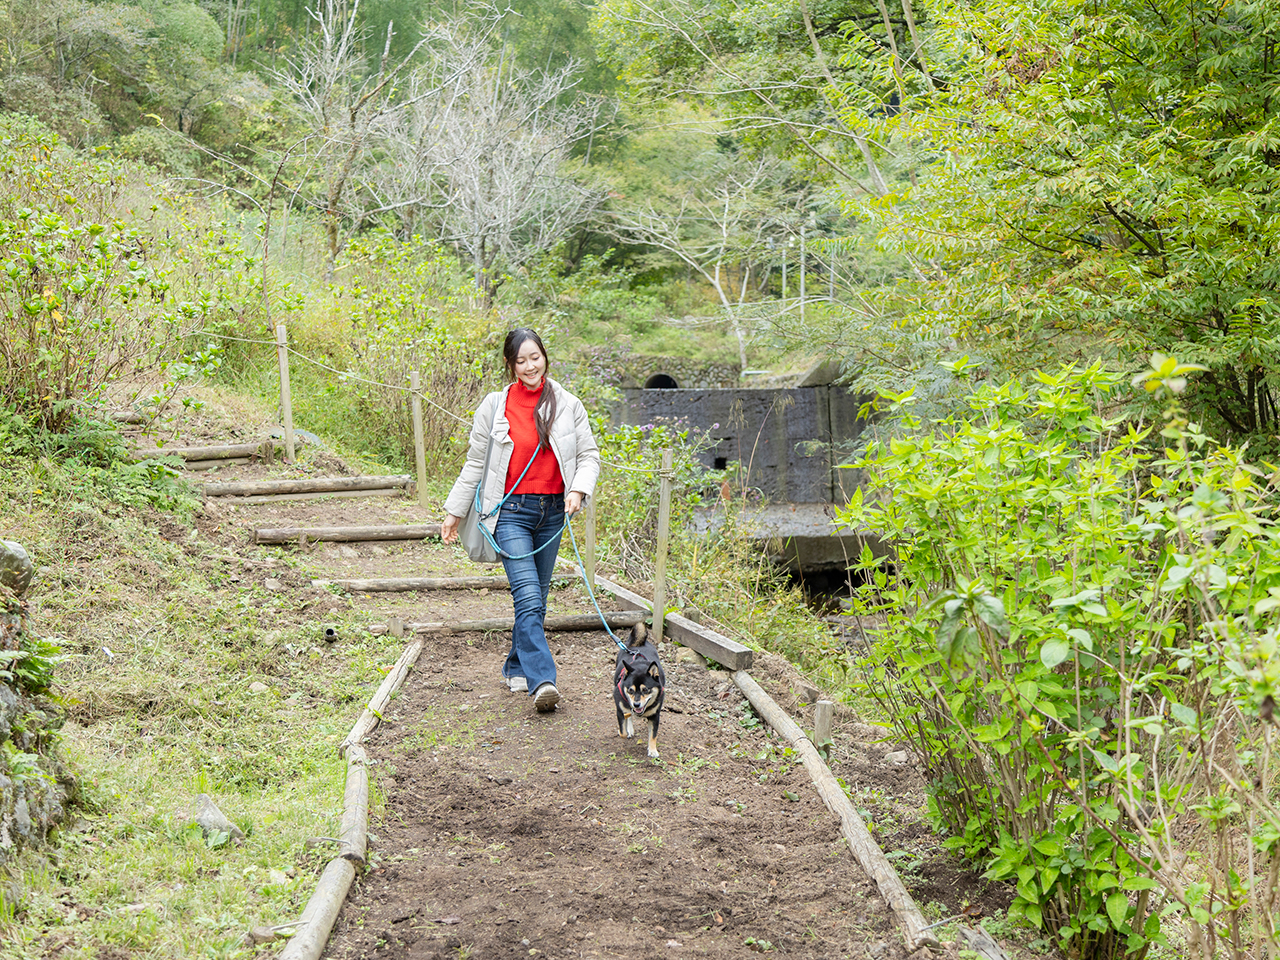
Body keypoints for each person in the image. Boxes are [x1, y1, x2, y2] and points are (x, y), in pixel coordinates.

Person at [441, 329, 600, 712]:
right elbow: (475, 464)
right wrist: (454, 511)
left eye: (536, 357)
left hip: (552, 513)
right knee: (528, 595)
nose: (530, 366)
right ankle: (542, 679)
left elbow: (589, 455)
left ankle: (515, 666)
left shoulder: (567, 404)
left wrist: (577, 490)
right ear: (511, 365)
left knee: (537, 599)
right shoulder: (495, 407)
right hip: (510, 512)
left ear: (545, 357)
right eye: (521, 360)